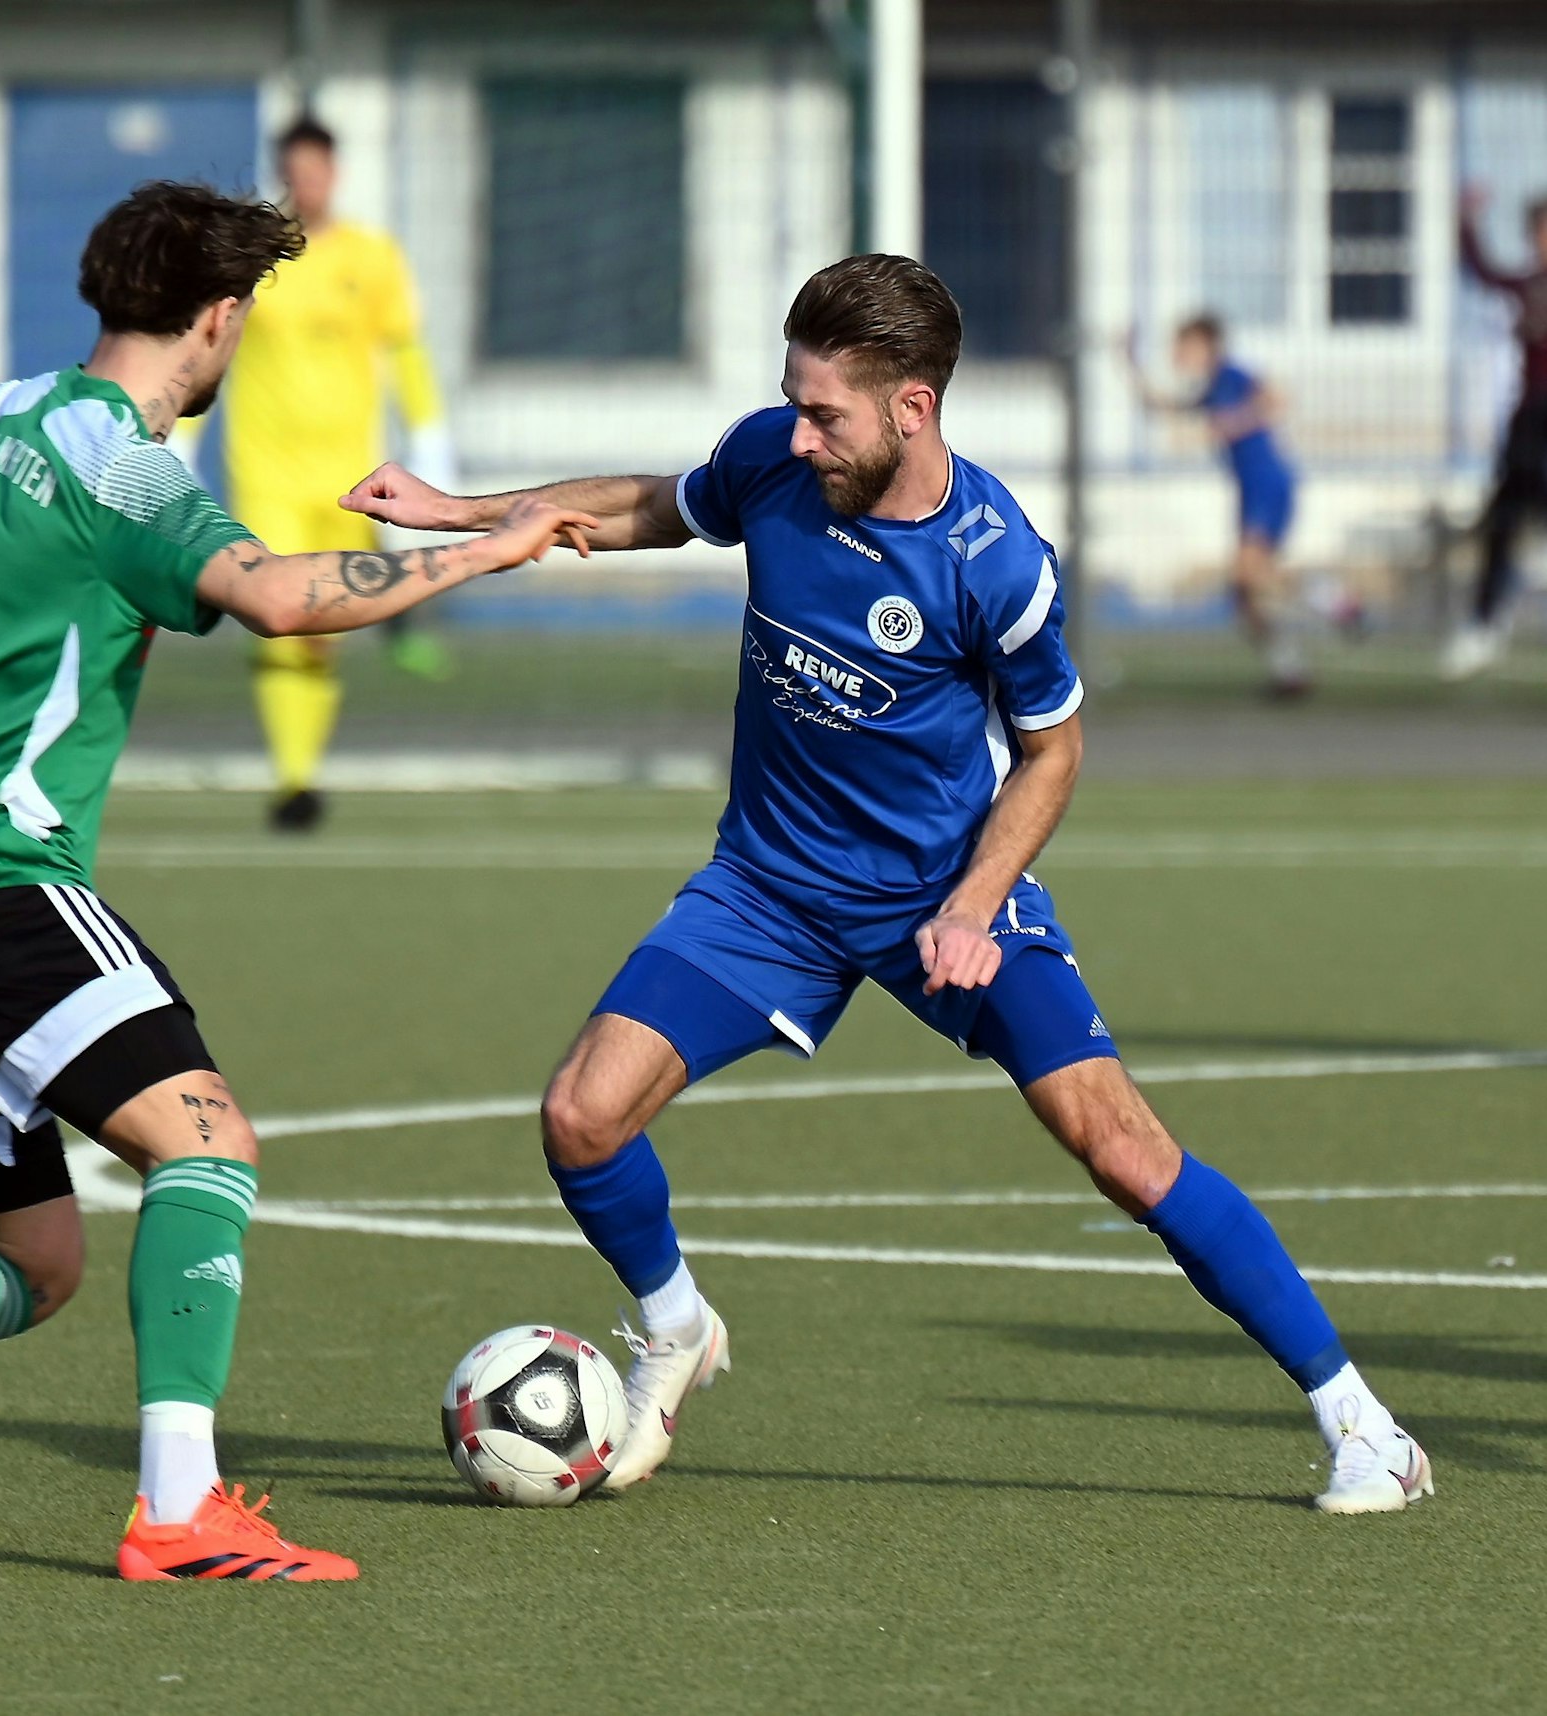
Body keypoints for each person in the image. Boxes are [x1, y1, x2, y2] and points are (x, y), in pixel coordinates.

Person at [345, 253, 1432, 1515]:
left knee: (1123, 1152)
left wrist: (972, 908)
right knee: (583, 1116)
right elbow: (658, 504)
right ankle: (675, 1327)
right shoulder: (773, 461)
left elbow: (1052, 751)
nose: (798, 435)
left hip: (941, 891)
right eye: (793, 404)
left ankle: (1364, 1428)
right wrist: (460, 508)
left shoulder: (995, 563)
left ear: (912, 407)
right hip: (768, 887)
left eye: (827, 415)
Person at [0, 181, 593, 1581]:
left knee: (34, 1269)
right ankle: (178, 1512)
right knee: (206, 1147)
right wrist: (488, 548)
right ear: (216, 317)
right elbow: (279, 596)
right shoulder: (127, 469)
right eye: (244, 319)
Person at [224, 114, 457, 832]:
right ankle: (294, 779)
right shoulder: (253, 254)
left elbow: (406, 351)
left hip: (345, 473)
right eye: (294, 170)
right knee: (280, 617)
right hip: (264, 469)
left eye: (318, 169)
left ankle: (305, 765)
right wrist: (176, 438)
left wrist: (429, 434)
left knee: (323, 627)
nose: (308, 182)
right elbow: (212, 344)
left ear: (334, 173)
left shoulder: (372, 255)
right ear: (282, 173)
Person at [1128, 314, 1307, 695]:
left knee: (1249, 574)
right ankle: (1288, 671)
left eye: (1186, 345)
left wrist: (1229, 423)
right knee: (1243, 594)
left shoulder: (1233, 375)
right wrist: (1130, 362)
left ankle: (1338, 604)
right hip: (1249, 489)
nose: (1179, 354)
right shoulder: (1211, 388)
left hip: (1267, 483)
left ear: (1208, 345)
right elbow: (1161, 407)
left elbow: (1276, 400)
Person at [1445, 186, 1547, 680]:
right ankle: (1484, 622)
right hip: (1530, 415)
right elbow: (1483, 272)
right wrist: (1464, 219)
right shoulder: (1527, 284)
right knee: (1504, 520)